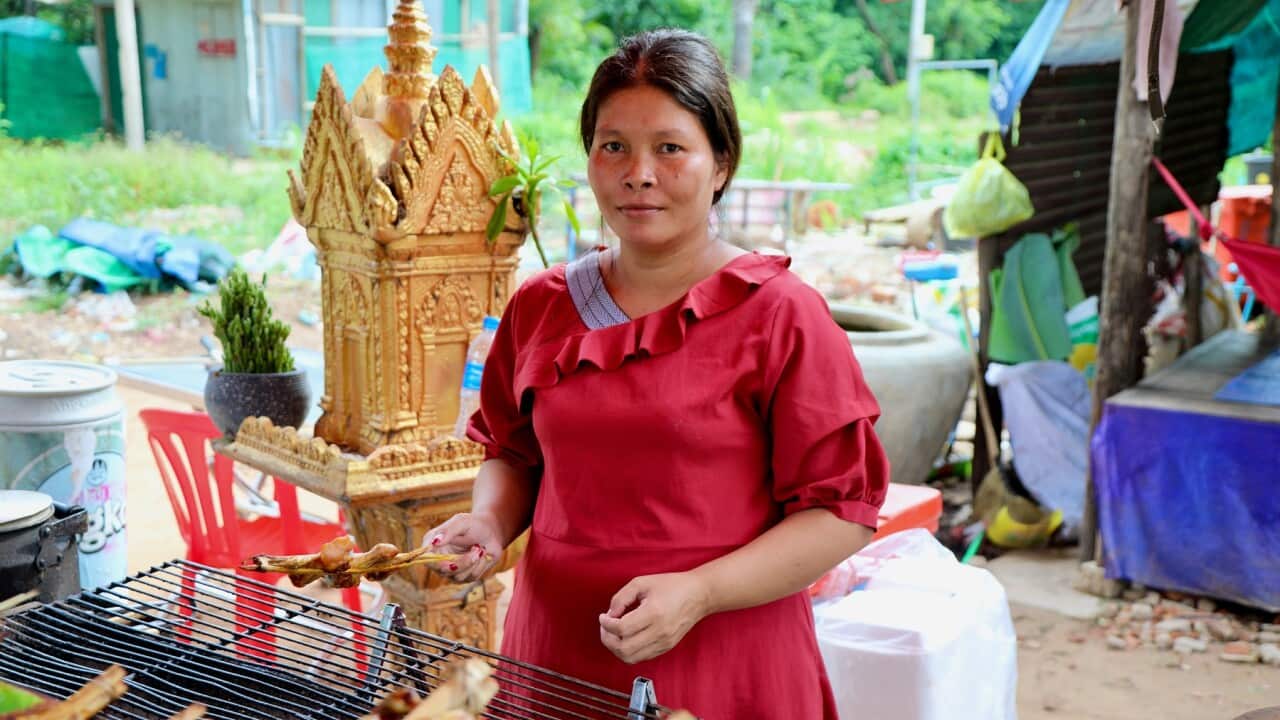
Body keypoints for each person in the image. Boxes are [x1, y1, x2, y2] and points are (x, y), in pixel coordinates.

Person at [424, 28, 889, 718]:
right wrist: (491, 522)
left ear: (721, 163)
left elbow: (841, 512)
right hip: (555, 653)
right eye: (614, 146)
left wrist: (701, 591)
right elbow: (512, 452)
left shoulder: (781, 315)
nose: (638, 173)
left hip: (723, 658)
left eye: (670, 148)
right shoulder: (542, 305)